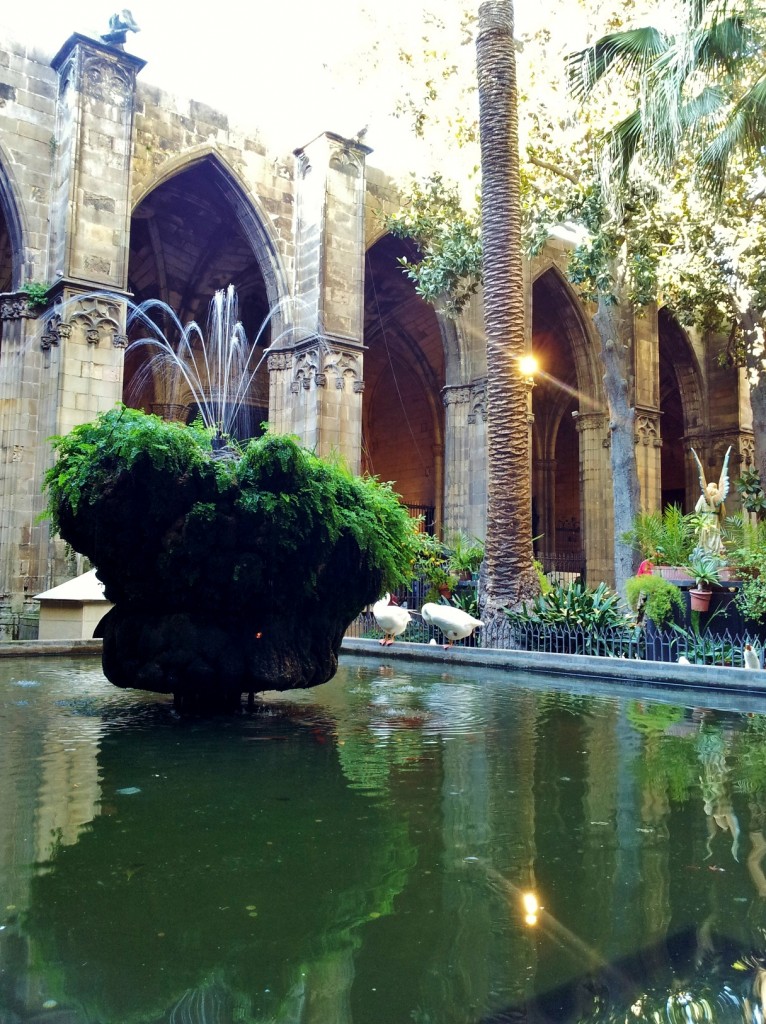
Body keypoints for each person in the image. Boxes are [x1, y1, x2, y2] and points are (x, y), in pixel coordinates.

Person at [690, 445, 732, 558]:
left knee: (705, 537)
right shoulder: (719, 499)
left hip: (705, 518)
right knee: (715, 536)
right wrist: (718, 518)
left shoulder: (703, 497)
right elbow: (723, 513)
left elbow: (696, 509)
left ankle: (706, 552)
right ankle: (716, 552)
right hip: (714, 519)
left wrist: (700, 516)